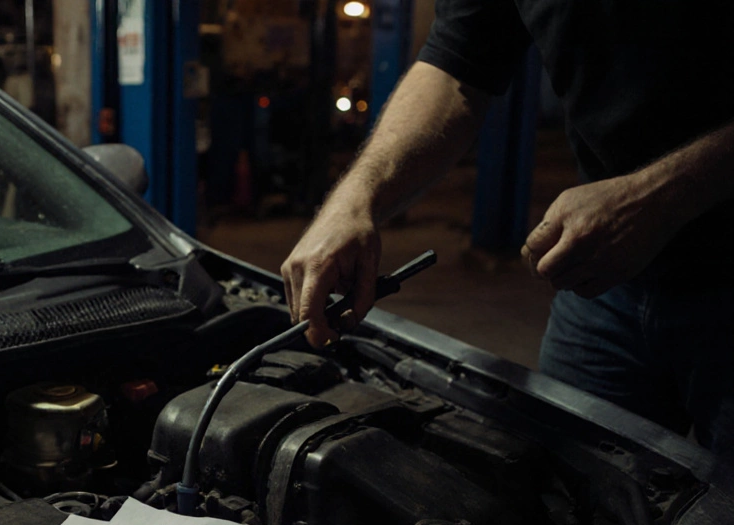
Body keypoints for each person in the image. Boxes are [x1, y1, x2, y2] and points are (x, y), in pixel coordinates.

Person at [280, 1, 734, 456]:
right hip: (607, 288)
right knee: (571, 493)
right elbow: (455, 66)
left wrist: (659, 196)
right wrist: (353, 200)